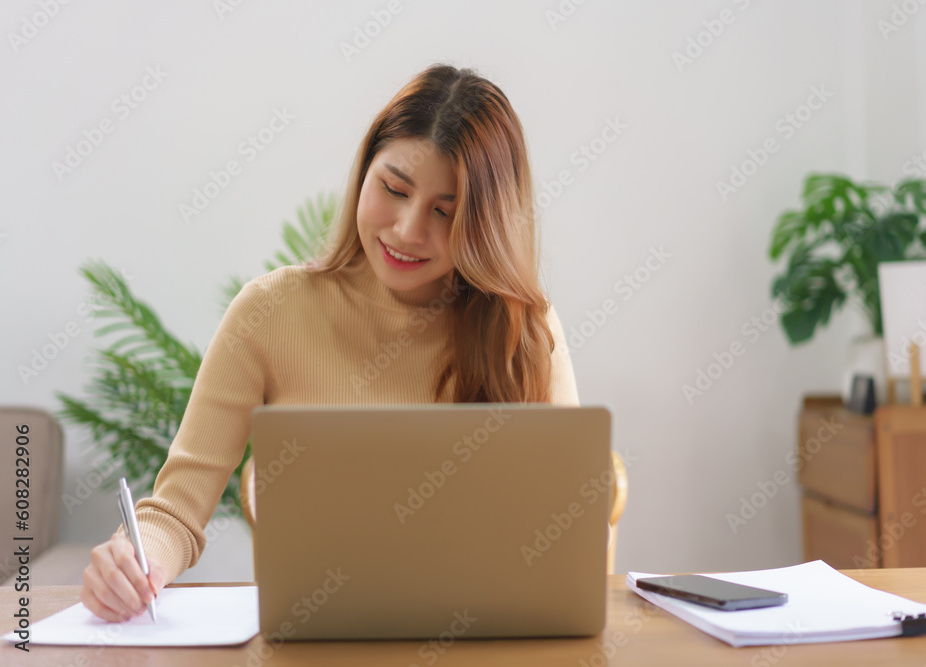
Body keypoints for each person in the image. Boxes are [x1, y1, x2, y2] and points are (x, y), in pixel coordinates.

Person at [80, 63, 580, 622]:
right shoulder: (270, 312)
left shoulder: (523, 329)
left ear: (485, 223)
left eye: (446, 212)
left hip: (486, 637)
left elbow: (565, 527)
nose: (408, 230)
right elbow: (176, 509)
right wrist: (134, 561)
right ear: (364, 173)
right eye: (393, 189)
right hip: (319, 638)